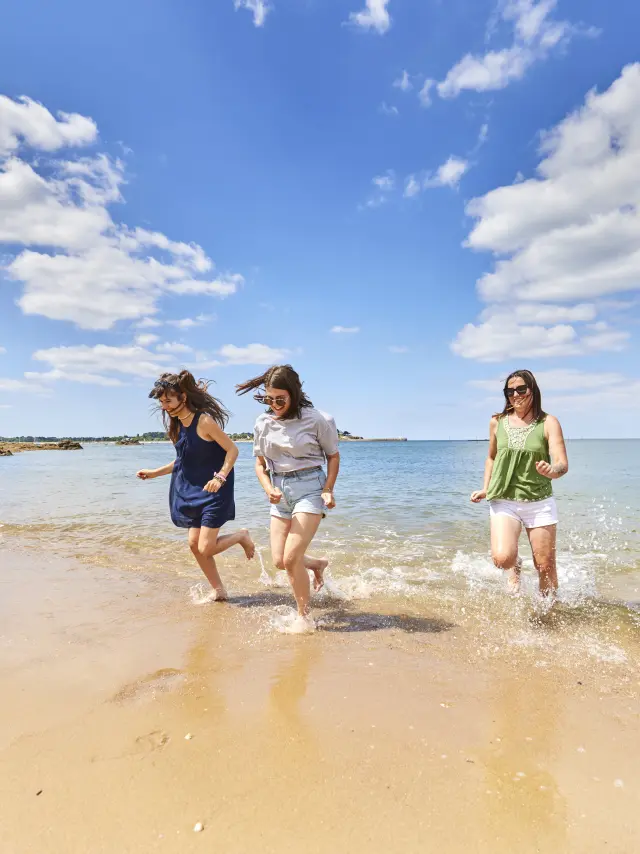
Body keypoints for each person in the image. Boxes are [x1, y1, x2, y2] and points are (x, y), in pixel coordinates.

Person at [236, 365, 340, 628]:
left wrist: (328, 489)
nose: (274, 405)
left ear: (294, 393)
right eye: (268, 399)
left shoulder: (318, 419)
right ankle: (317, 564)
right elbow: (260, 464)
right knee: (280, 561)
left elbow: (333, 456)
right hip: (279, 492)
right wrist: (268, 488)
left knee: (292, 559)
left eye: (280, 399)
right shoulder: (262, 423)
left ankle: (304, 619)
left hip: (310, 487)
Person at [137, 370, 254, 602]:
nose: (165, 407)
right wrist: (154, 473)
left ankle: (241, 536)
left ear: (183, 397)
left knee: (206, 547)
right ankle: (219, 590)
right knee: (194, 544)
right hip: (191, 491)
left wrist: (220, 477)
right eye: (162, 402)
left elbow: (232, 450)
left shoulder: (204, 421)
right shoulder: (177, 426)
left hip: (215, 489)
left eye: (168, 401)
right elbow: (182, 461)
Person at [470, 369, 568, 597]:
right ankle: (515, 565)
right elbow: (492, 457)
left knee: (545, 566)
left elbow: (562, 463)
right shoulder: (497, 422)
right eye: (510, 391)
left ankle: (550, 612)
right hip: (504, 498)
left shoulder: (548, 422)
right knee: (502, 559)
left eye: (521, 389)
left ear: (532, 390)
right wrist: (486, 488)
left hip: (539, 501)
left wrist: (552, 470)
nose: (515, 395)